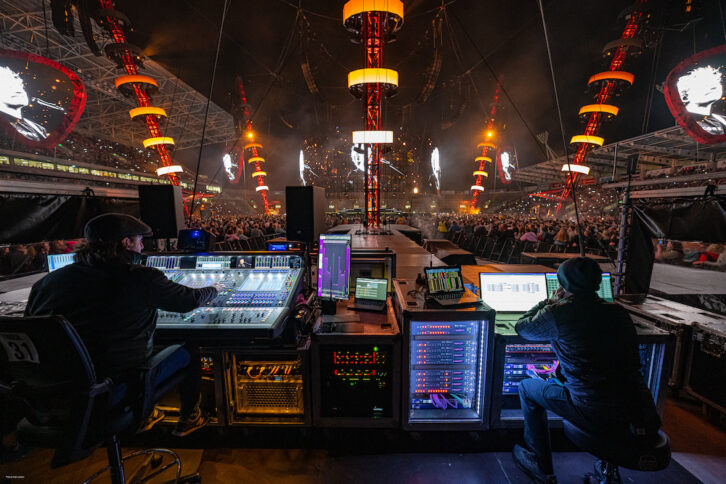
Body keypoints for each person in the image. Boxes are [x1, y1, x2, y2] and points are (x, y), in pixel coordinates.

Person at [24, 213, 224, 437]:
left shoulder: (46, 284)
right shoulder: (140, 277)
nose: (142, 246)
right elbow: (189, 300)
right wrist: (214, 288)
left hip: (54, 398)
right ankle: (187, 418)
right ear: (126, 242)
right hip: (114, 390)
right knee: (188, 349)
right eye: (140, 240)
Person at [511, 257, 660, 483]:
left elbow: (522, 327)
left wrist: (547, 302)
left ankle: (540, 465)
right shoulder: (618, 313)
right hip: (641, 412)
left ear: (563, 285)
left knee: (525, 387)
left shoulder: (559, 313)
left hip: (594, 411)